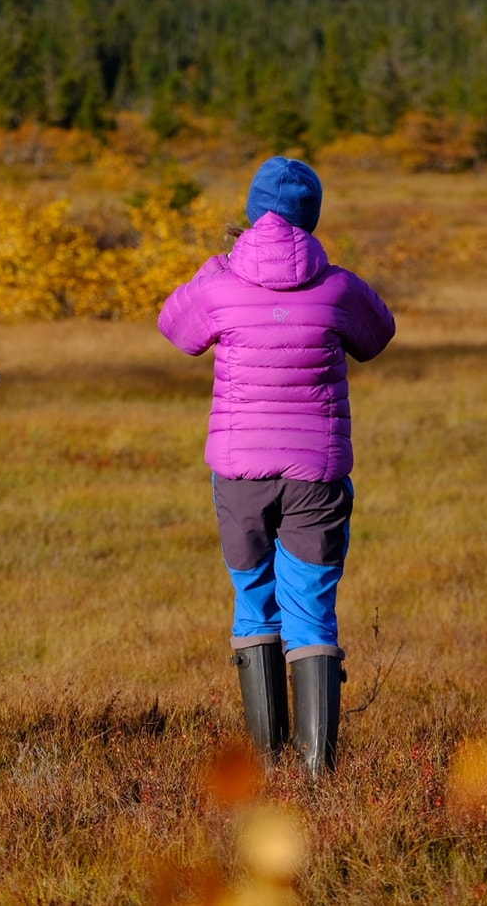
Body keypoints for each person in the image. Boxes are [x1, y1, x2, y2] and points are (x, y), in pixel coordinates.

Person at [157, 156, 395, 777]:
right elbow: (379, 336)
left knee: (252, 599)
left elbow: (175, 328)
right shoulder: (338, 286)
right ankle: (317, 772)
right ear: (311, 217)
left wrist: (216, 268)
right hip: (316, 473)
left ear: (250, 211)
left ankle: (266, 767)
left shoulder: (220, 281)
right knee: (311, 608)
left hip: (239, 473)